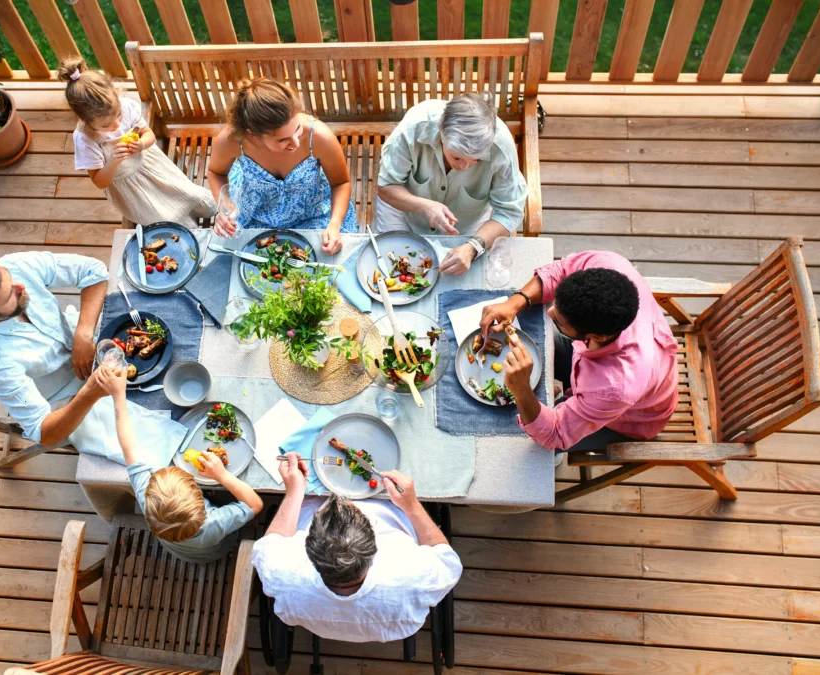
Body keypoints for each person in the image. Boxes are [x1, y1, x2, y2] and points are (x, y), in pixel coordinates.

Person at [479, 251, 679, 451]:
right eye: (555, 305)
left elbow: (554, 434)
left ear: (596, 336)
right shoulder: (609, 264)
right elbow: (560, 271)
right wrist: (515, 302)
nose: (549, 313)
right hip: (619, 370)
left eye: (558, 321)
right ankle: (565, 394)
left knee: (536, 448)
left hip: (629, 418)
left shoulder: (614, 388)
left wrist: (521, 388)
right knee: (541, 344)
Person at [252, 454, 461, 643]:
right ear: (375, 546)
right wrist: (412, 504)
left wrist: (293, 492)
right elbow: (446, 558)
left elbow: (272, 542)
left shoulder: (282, 574)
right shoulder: (414, 575)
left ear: (308, 548)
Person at [0, 252, 109, 449]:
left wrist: (83, 334)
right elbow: (43, 432)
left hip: (85, 339)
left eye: (9, 278)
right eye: (10, 294)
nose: (21, 286)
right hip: (67, 396)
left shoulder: (13, 265)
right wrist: (89, 394)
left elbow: (93, 270)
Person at [95, 366, 263, 563]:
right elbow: (255, 504)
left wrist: (118, 396)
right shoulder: (214, 523)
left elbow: (129, 447)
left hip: (177, 550)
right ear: (200, 497)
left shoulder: (147, 499)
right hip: (215, 551)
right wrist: (222, 476)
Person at [376, 94, 529, 276]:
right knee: (391, 271)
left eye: (476, 160)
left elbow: (509, 212)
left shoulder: (502, 148)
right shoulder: (414, 127)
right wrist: (425, 206)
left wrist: (472, 247)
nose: (464, 167)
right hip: (402, 213)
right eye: (456, 157)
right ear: (441, 131)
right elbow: (386, 187)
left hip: (466, 229)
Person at [206, 78, 358, 254]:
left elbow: (341, 183)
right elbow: (215, 172)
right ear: (253, 135)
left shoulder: (319, 137)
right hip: (255, 217)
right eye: (283, 139)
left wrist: (334, 223)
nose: (295, 143)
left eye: (297, 129)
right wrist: (224, 204)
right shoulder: (231, 140)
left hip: (314, 215)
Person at [59, 57, 215, 228]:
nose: (117, 125)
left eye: (118, 115)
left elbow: (148, 135)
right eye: (106, 125)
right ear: (84, 119)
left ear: (117, 94)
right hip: (131, 188)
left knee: (189, 193)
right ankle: (189, 231)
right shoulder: (85, 139)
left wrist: (141, 144)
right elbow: (99, 181)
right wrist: (113, 162)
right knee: (164, 215)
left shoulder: (126, 106)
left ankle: (213, 211)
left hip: (151, 165)